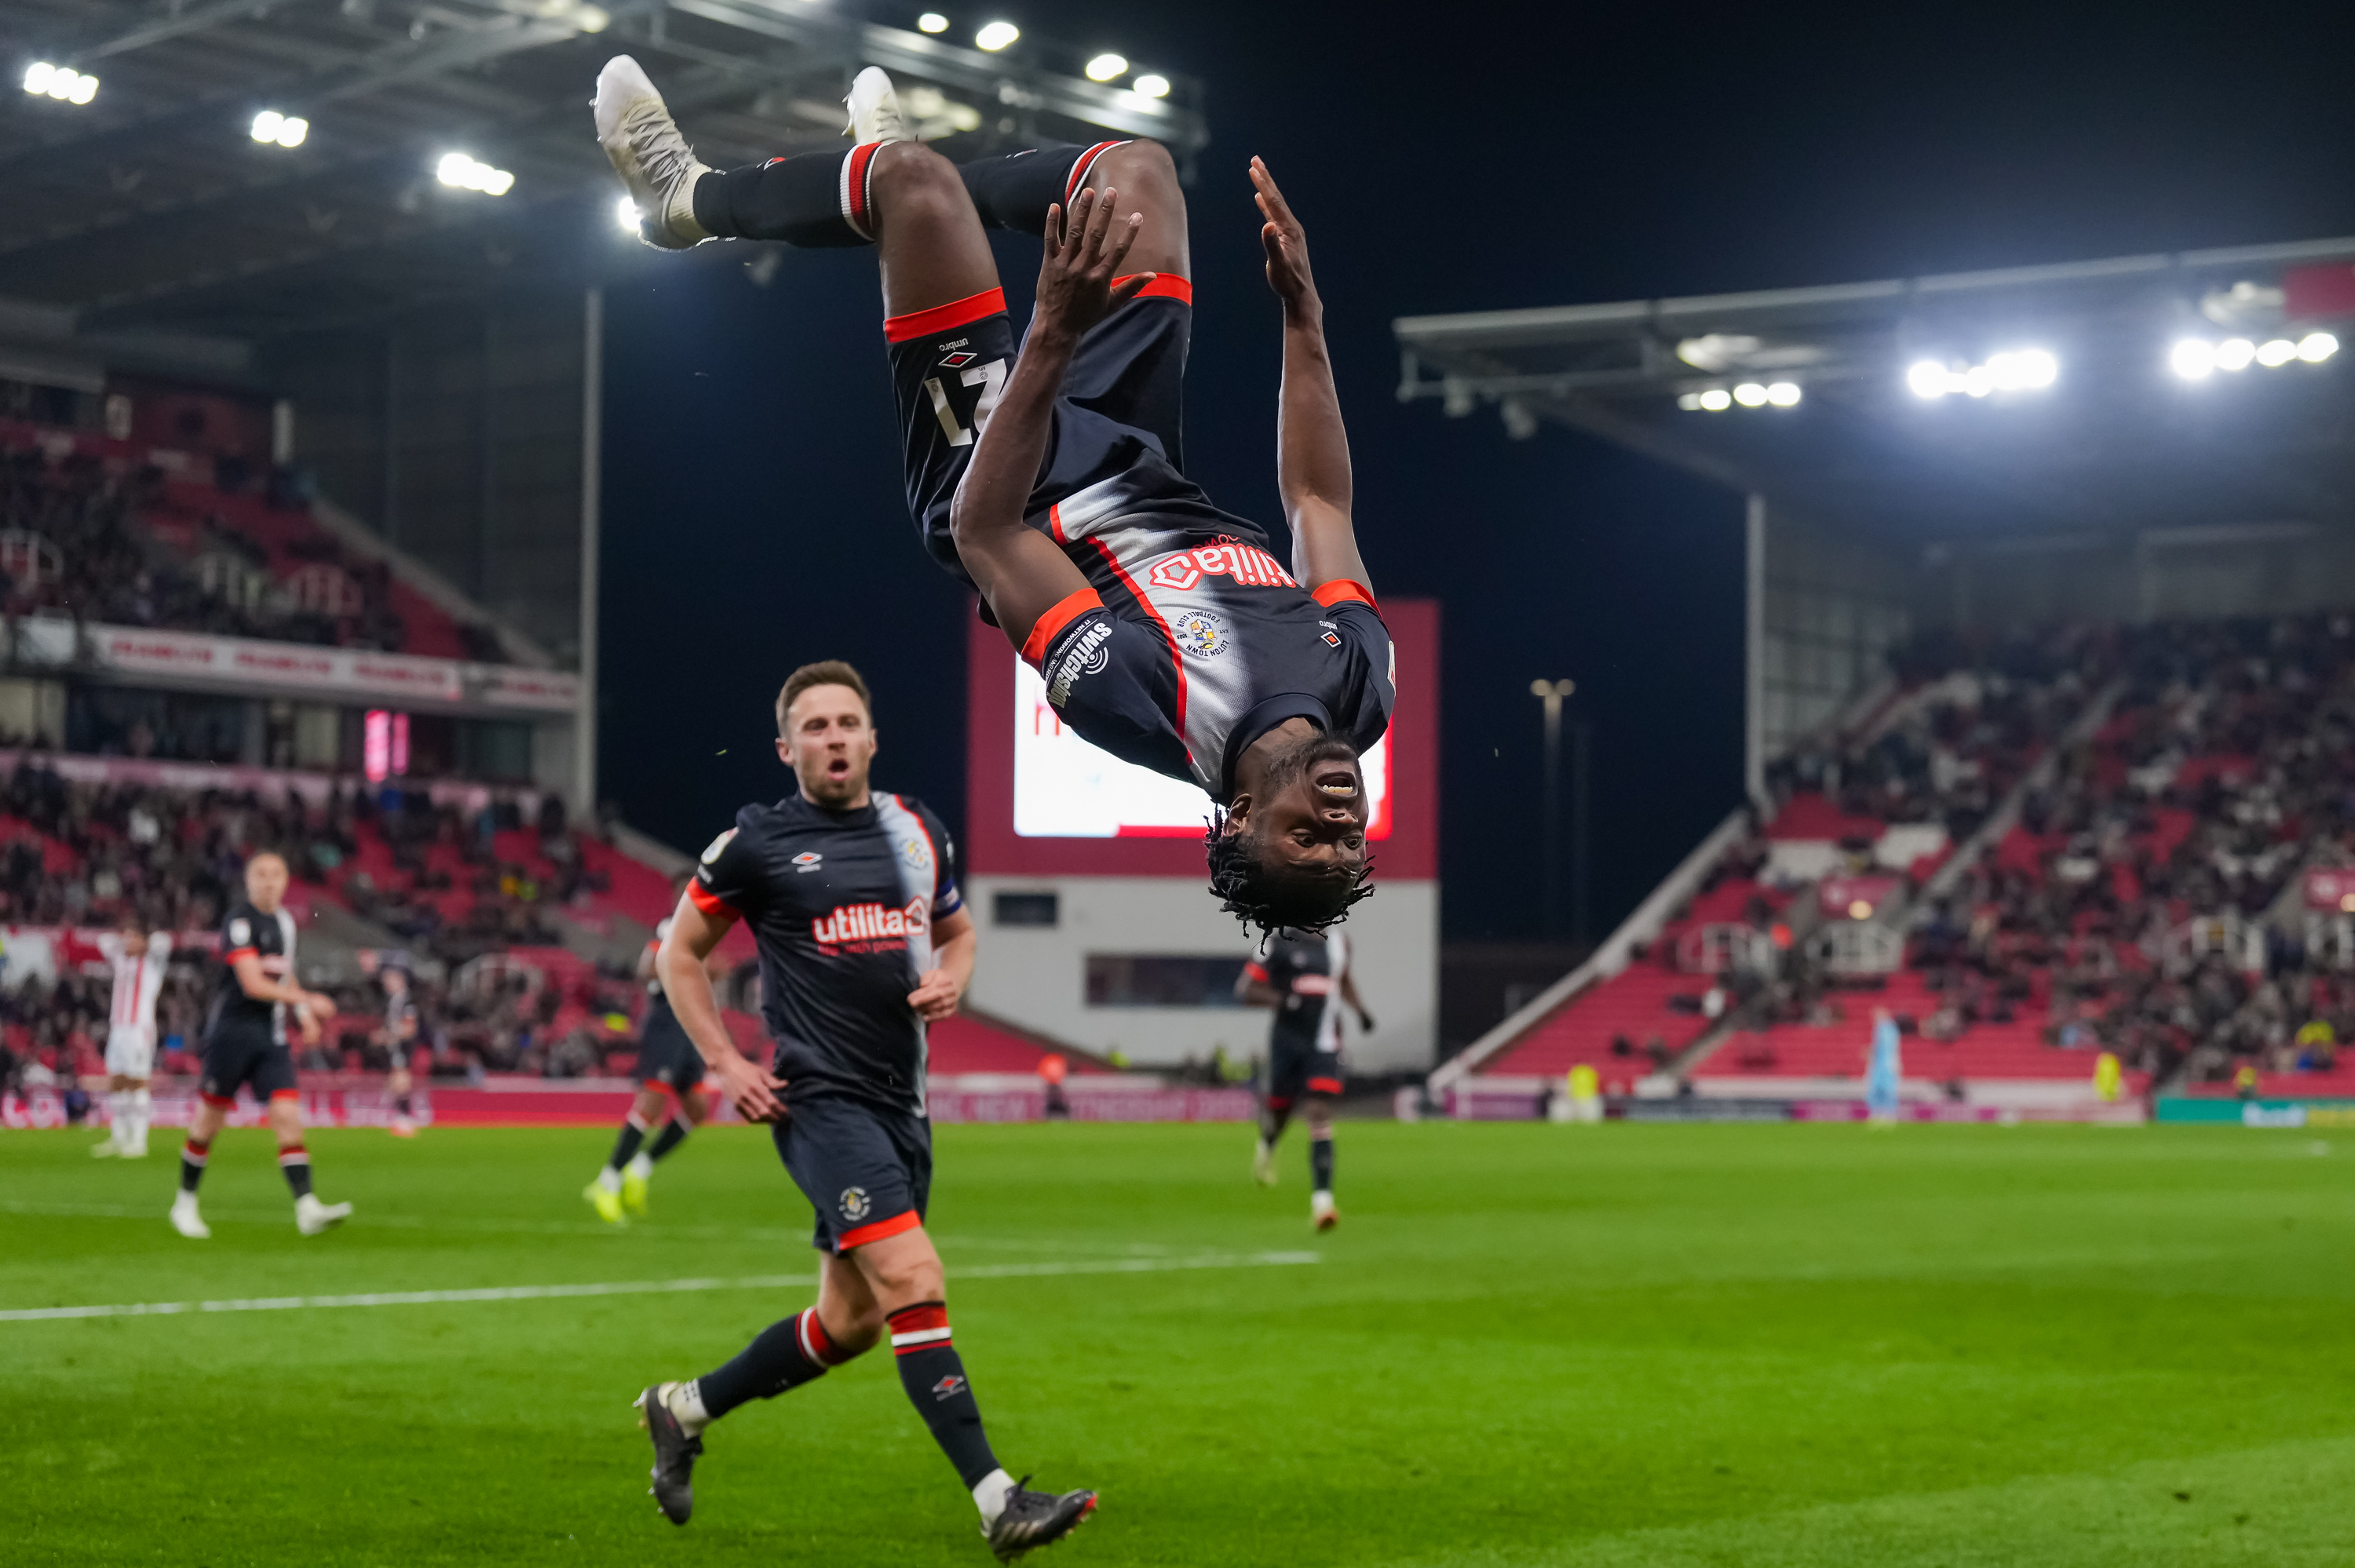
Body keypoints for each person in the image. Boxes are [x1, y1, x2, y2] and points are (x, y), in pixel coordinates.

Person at [593, 59, 1393, 937]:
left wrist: (1050, 330)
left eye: (1305, 842)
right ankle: (874, 187)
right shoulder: (1362, 691)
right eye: (1346, 850)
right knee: (1138, 174)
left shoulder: (1133, 706)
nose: (1339, 828)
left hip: (1003, 480)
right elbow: (1320, 502)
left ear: (1240, 818)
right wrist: (1304, 319)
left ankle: (686, 200)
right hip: (1137, 453)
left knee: (915, 187)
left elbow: (987, 533)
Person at [627, 660, 1095, 1557]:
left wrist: (950, 982)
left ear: (872, 738)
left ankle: (680, 1409)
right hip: (822, 1105)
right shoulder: (754, 845)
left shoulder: (918, 832)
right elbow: (679, 956)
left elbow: (956, 934)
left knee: (847, 1325)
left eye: (847, 723)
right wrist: (723, 1061)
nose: (834, 738)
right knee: (916, 1281)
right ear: (786, 747)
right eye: (815, 727)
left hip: (902, 1109)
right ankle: (999, 1500)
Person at [170, 851, 354, 1239]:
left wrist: (303, 1019)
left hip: (270, 1038)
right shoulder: (239, 921)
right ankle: (184, 1202)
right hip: (231, 1036)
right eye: (260, 874)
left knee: (288, 1118)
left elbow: (285, 978)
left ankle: (307, 1207)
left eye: (275, 874)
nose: (268, 881)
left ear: (286, 881)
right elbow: (252, 984)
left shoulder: (286, 923)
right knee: (208, 1123)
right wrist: (307, 1002)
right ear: (249, 881)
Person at [585, 888, 713, 1223]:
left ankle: (640, 1168)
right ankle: (607, 1181)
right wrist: (687, 959)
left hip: (689, 1025)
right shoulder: (670, 929)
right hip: (665, 1025)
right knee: (651, 1105)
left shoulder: (705, 929)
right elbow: (648, 967)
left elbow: (713, 970)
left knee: (697, 1109)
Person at [1237, 927, 1371, 1231]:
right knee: (1280, 1110)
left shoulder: (1339, 942)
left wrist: (1360, 1010)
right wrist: (1283, 1000)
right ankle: (1268, 1145)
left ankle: (1322, 1203)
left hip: (1324, 1043)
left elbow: (1343, 979)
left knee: (1318, 1112)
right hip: (1287, 1043)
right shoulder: (1274, 943)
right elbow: (1245, 990)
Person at [91, 921, 171, 1159]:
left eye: (134, 937)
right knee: (117, 1083)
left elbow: (164, 942)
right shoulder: (120, 960)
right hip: (118, 1029)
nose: (128, 942)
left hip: (140, 1030)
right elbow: (103, 941)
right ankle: (118, 1137)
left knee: (137, 1084)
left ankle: (138, 1140)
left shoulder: (152, 964)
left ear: (144, 941)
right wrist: (125, 941)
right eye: (126, 937)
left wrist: (143, 943)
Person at [378, 961, 420, 1137]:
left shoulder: (407, 1001)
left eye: (390, 978)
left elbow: (410, 1029)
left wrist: (389, 1035)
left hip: (402, 1048)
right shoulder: (393, 1002)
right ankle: (401, 1118)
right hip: (394, 1048)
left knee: (401, 1082)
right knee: (396, 1083)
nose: (386, 982)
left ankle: (405, 1119)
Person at [1864, 1006, 1902, 1125]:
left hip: (1887, 1064)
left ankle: (1889, 1115)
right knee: (1875, 1090)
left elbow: (1890, 1048)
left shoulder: (1890, 1029)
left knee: (1888, 1090)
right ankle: (1876, 1115)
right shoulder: (1879, 1028)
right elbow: (1878, 1047)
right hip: (1878, 1064)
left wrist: (1895, 1063)